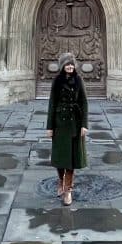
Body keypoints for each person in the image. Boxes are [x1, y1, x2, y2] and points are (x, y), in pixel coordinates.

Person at [46, 52, 88, 205]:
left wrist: (84, 125)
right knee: (59, 158)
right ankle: (60, 180)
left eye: (71, 64)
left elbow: (84, 103)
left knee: (71, 159)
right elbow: (52, 104)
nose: (70, 66)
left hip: (74, 124)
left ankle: (67, 191)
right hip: (59, 124)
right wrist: (49, 127)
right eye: (67, 64)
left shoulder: (79, 80)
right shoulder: (56, 81)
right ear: (62, 66)